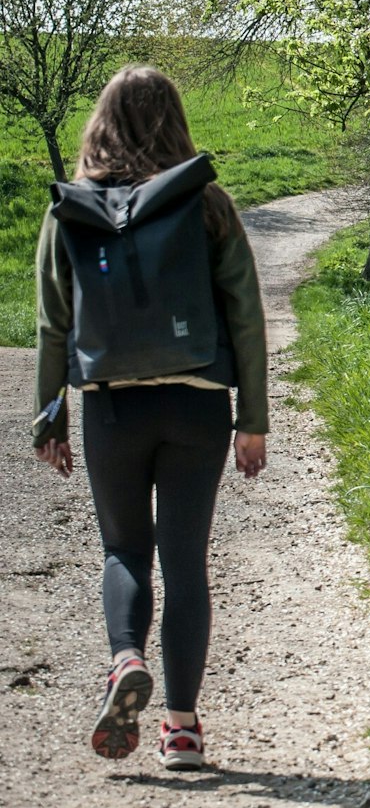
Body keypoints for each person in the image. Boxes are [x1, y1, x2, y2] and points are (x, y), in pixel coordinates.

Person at [30, 66, 268, 771]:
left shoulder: (68, 210)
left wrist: (51, 418)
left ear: (100, 124)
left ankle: (124, 657)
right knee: (185, 560)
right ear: (175, 122)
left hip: (111, 407)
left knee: (124, 551)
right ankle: (183, 729)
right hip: (197, 404)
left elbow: (52, 324)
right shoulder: (208, 204)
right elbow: (246, 316)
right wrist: (252, 419)